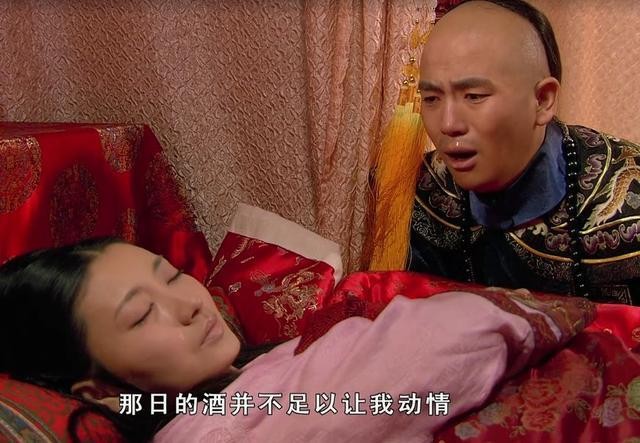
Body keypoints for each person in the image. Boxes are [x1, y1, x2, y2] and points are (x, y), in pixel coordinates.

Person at [0, 237, 597, 442]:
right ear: (102, 391)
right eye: (140, 316)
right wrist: (507, 315)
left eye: (174, 275)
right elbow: (411, 376)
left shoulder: (235, 383)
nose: (188, 304)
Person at [408, 0, 640, 304]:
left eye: (474, 96)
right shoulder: (426, 190)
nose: (449, 124)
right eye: (431, 98)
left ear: (543, 100)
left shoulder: (628, 199)